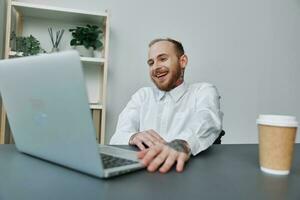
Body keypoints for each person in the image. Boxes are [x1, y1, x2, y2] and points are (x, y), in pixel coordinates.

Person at [110, 38, 223, 173]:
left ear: (183, 61)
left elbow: (207, 119)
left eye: (162, 59)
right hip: (145, 175)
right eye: (151, 63)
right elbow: (118, 136)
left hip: (188, 174)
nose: (156, 67)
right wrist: (132, 136)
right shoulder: (142, 96)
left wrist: (183, 143)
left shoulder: (202, 91)